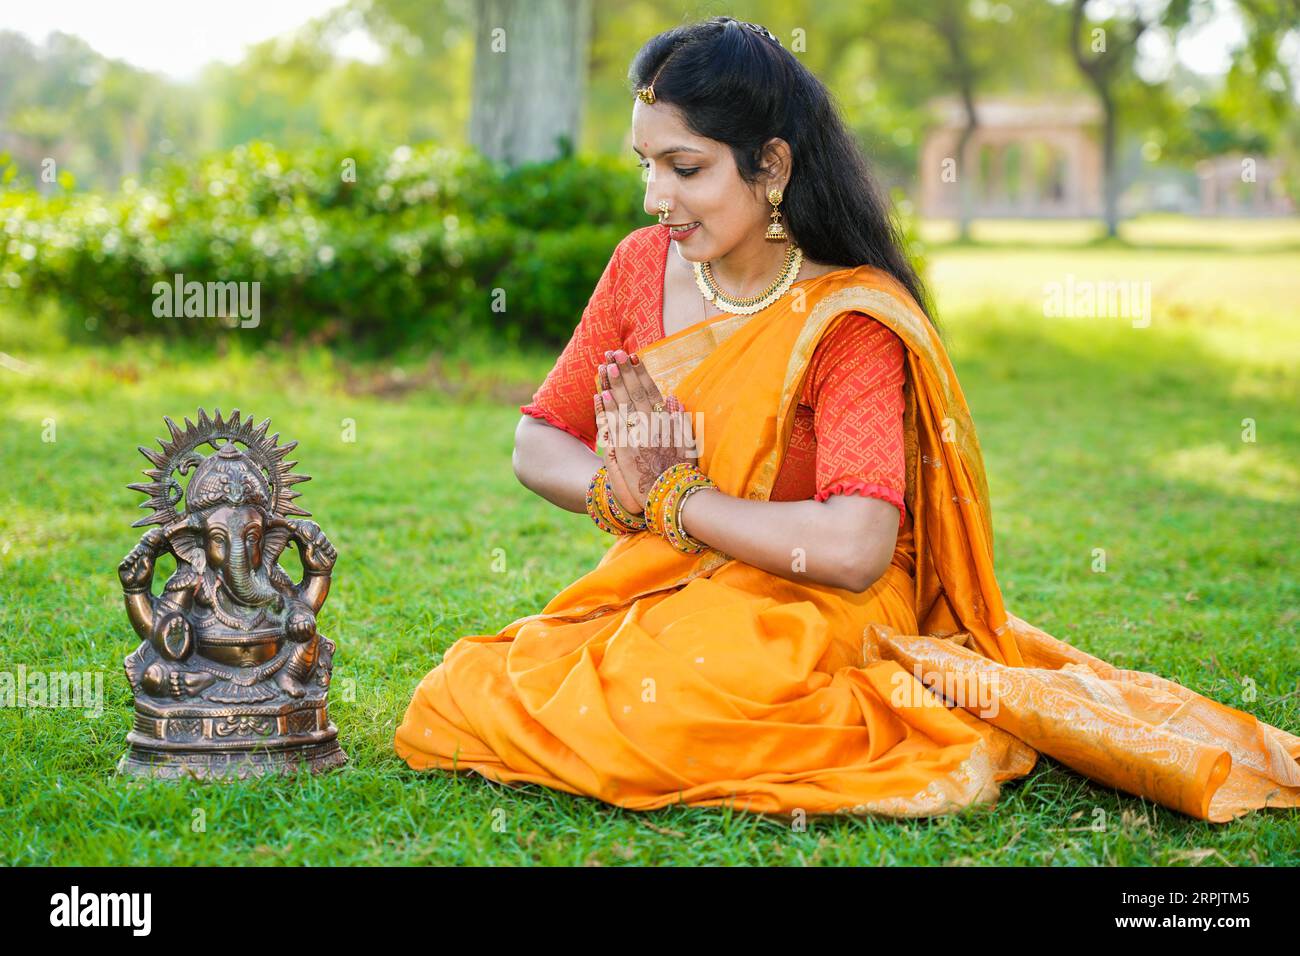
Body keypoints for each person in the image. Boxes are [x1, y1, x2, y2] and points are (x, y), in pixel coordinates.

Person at [393, 17, 1299, 822]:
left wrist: (675, 498)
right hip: (665, 581)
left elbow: (857, 544)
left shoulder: (848, 317)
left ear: (773, 164)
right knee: (463, 690)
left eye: (685, 168)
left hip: (818, 606)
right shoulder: (640, 267)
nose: (653, 198)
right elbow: (536, 438)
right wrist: (623, 492)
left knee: (674, 703)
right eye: (646, 166)